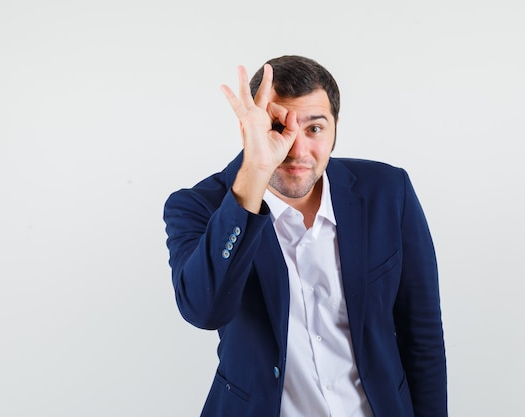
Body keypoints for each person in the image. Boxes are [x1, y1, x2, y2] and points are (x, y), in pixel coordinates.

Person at [163, 55, 447, 417]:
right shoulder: (197, 207)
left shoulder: (389, 192)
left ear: (334, 130)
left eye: (314, 129)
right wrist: (256, 170)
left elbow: (422, 335)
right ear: (248, 130)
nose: (296, 150)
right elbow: (204, 311)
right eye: (279, 128)